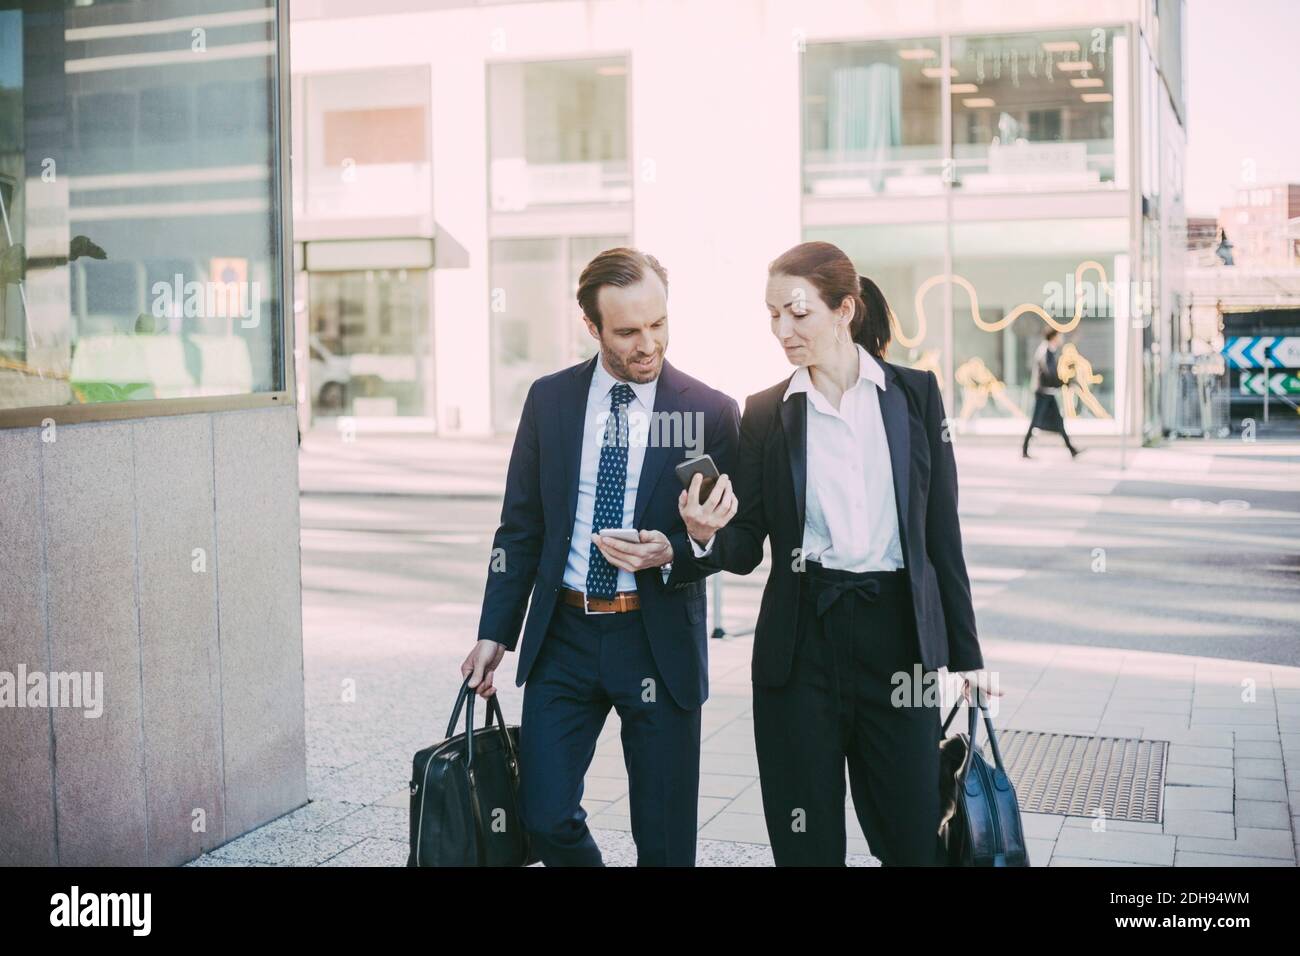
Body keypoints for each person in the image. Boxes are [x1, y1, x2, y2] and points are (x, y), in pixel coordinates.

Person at [678, 240, 997, 866]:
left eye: (797, 313)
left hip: (898, 646)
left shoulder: (915, 396)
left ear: (845, 309)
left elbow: (941, 537)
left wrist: (967, 656)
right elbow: (748, 546)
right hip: (801, 650)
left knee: (911, 843)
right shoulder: (766, 412)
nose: (782, 330)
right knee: (806, 846)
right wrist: (704, 533)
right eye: (772, 315)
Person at [461, 247, 740, 866]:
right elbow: (521, 527)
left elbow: (735, 543)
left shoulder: (710, 411)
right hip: (563, 634)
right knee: (545, 815)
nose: (648, 344)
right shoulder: (550, 400)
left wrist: (684, 545)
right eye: (628, 331)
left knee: (665, 839)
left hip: (656, 637)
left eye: (659, 324)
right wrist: (494, 633)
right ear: (592, 327)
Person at [1022, 328, 1081, 459]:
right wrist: (1062, 383)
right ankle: (1024, 450)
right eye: (1059, 336)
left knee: (1059, 422)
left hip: (1048, 392)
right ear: (1053, 337)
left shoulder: (1049, 351)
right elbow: (1049, 373)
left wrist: (1061, 383)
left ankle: (1072, 450)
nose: (1061, 339)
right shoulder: (1045, 351)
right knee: (1035, 422)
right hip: (1043, 393)